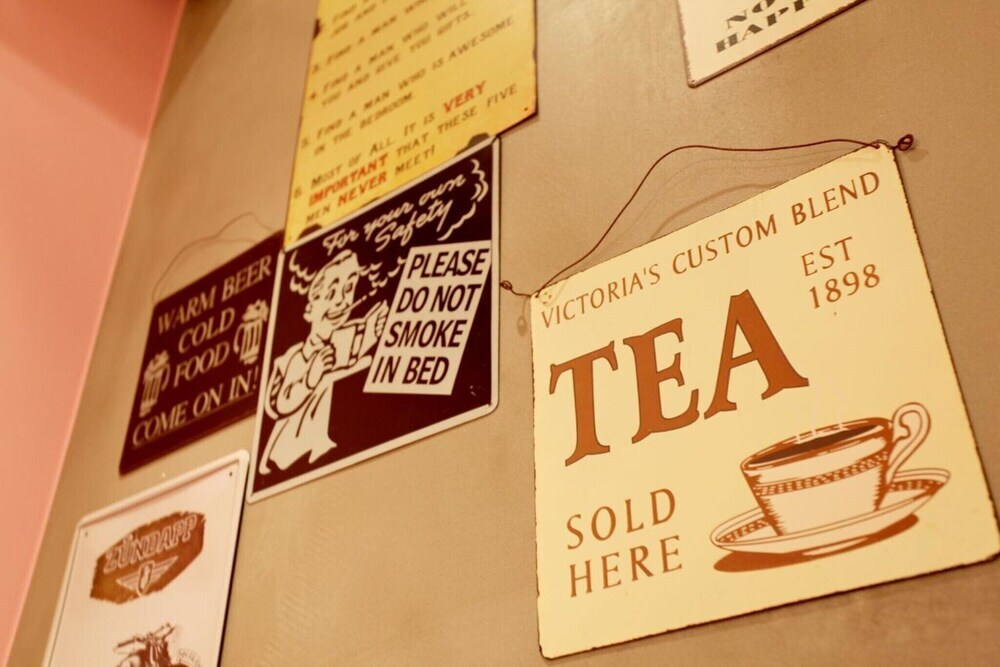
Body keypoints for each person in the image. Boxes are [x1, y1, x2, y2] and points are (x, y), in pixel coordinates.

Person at [259, 250, 388, 474]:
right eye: (331, 293)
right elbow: (282, 402)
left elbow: (360, 348)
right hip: (291, 453)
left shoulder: (346, 336)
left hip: (331, 443)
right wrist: (310, 379)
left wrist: (373, 331)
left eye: (348, 289)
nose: (341, 301)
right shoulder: (297, 357)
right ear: (310, 309)